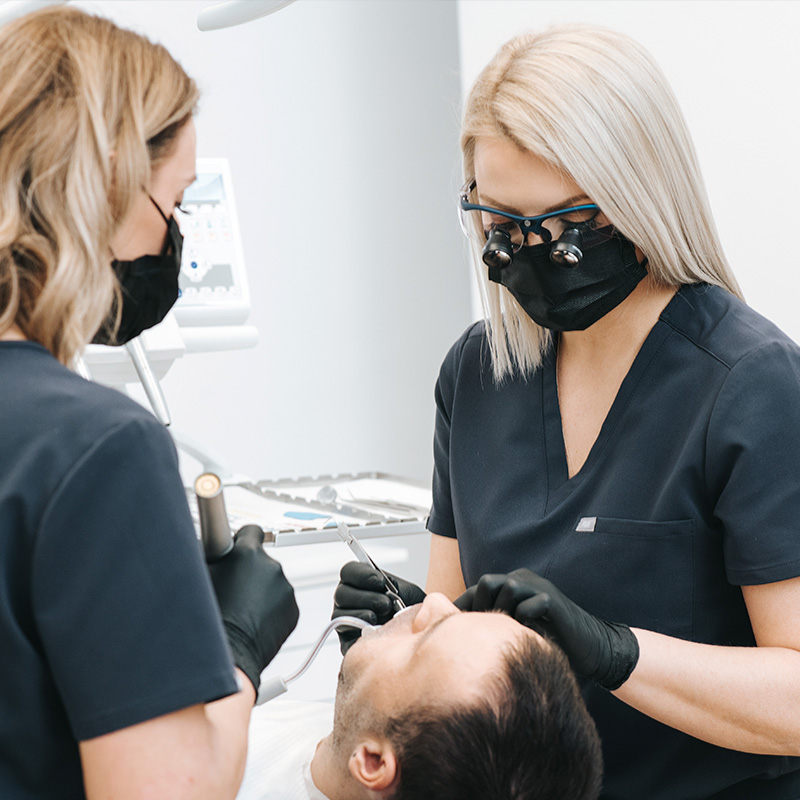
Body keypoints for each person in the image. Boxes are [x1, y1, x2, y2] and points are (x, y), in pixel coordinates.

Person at [334, 23, 800, 800]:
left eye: (570, 225)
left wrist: (616, 653)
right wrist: (404, 631)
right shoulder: (477, 375)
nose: (536, 250)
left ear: (638, 197)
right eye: (503, 225)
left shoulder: (750, 385)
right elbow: (458, 618)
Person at [0, 7, 298, 799]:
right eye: (176, 203)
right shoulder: (94, 448)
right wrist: (236, 643)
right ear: (105, 185)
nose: (175, 240)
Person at [239, 592, 602, 800]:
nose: (436, 599)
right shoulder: (362, 733)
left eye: (424, 639)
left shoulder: (219, 780)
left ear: (373, 763)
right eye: (463, 615)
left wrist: (231, 650)